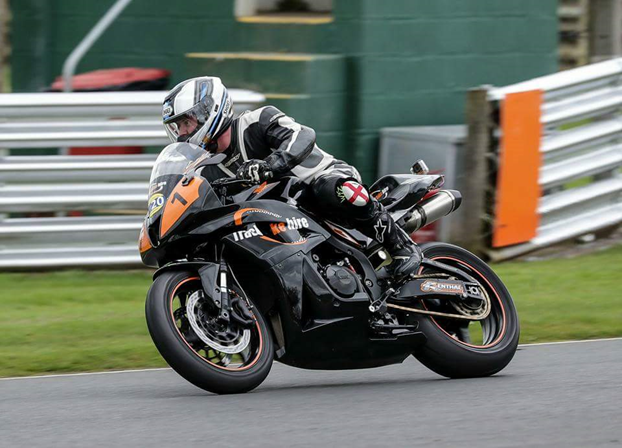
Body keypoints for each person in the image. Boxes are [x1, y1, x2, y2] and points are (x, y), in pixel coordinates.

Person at [162, 76, 421, 277]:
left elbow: (303, 136)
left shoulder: (257, 121)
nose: (184, 132)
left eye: (187, 123)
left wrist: (271, 165)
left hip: (321, 180)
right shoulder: (207, 168)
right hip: (278, 214)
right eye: (178, 127)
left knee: (331, 188)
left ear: (210, 110)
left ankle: (401, 246)